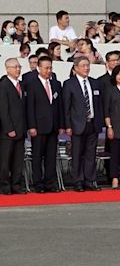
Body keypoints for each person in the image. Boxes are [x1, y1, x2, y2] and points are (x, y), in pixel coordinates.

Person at [63, 57, 104, 192]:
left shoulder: (94, 82)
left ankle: (90, 180)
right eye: (83, 66)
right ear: (75, 68)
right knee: (77, 153)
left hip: (93, 123)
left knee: (90, 153)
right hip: (77, 124)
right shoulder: (69, 84)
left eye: (87, 65)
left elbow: (98, 105)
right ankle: (78, 181)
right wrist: (68, 125)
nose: (86, 68)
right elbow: (66, 107)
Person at [25, 56, 64, 193]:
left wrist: (60, 125)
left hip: (53, 126)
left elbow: (59, 106)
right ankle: (38, 183)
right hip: (38, 127)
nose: (49, 70)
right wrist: (31, 126)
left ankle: (50, 183)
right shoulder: (31, 84)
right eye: (46, 68)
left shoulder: (56, 84)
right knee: (37, 156)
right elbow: (29, 107)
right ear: (39, 68)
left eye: (50, 68)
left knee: (51, 156)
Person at [0, 58, 26, 195]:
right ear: (7, 69)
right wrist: (9, 128)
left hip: (21, 129)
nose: (18, 69)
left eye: (19, 66)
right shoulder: (3, 85)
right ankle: (5, 186)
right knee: (5, 161)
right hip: (7, 132)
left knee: (18, 161)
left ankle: (16, 185)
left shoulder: (21, 85)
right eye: (15, 67)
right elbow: (3, 110)